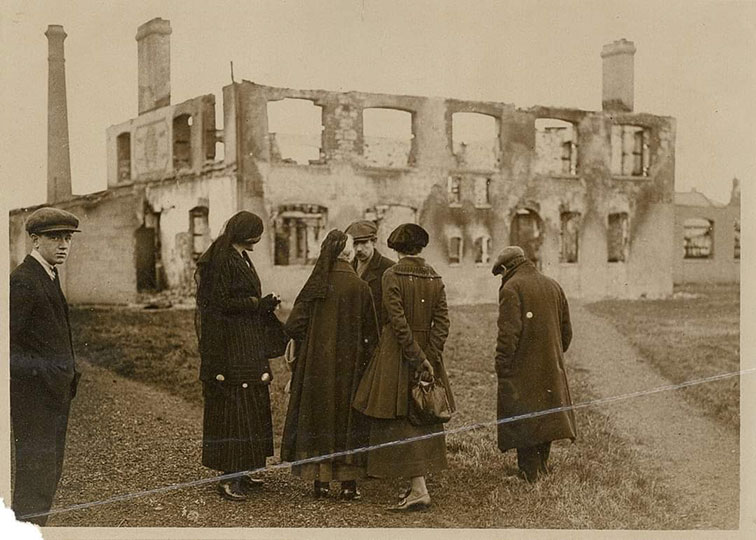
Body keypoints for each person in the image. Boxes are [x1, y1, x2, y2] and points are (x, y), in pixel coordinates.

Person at [353, 223, 454, 511]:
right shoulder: (435, 277)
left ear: (395, 249)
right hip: (426, 355)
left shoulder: (391, 274)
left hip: (398, 354)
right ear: (422, 247)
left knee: (400, 418)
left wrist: (417, 358)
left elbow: (397, 322)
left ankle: (418, 489)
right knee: (422, 413)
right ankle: (417, 484)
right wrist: (429, 358)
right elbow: (443, 322)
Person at [281, 230, 379, 500]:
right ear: (347, 253)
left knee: (320, 417)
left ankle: (320, 483)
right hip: (352, 367)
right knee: (348, 421)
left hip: (316, 366)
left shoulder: (315, 285)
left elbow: (293, 325)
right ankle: (349, 486)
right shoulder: (361, 287)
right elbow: (372, 335)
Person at [194, 211, 283, 501]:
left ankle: (243, 467)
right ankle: (228, 477)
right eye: (255, 233)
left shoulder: (240, 256)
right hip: (231, 345)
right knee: (235, 406)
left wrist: (261, 305)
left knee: (250, 404)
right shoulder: (222, 260)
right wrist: (258, 303)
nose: (258, 239)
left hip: (247, 341)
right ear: (246, 234)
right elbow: (218, 303)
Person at [10, 207, 82, 525]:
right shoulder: (24, 280)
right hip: (35, 396)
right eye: (55, 238)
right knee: (35, 477)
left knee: (48, 472)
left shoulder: (48, 274)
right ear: (35, 240)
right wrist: (43, 373)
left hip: (54, 393)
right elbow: (6, 346)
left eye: (67, 237)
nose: (64, 244)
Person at [491, 245, 576, 482]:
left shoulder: (511, 288)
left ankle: (528, 472)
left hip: (521, 366)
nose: (502, 277)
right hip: (550, 364)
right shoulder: (553, 285)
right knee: (545, 413)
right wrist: (552, 354)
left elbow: (508, 335)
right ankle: (541, 465)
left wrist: (503, 365)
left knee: (523, 413)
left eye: (501, 273)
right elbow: (566, 332)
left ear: (507, 267)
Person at [344, 220, 394, 328]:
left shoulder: (388, 268)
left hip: (376, 334)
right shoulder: (347, 268)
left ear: (374, 242)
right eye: (355, 243)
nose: (359, 249)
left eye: (364, 242)